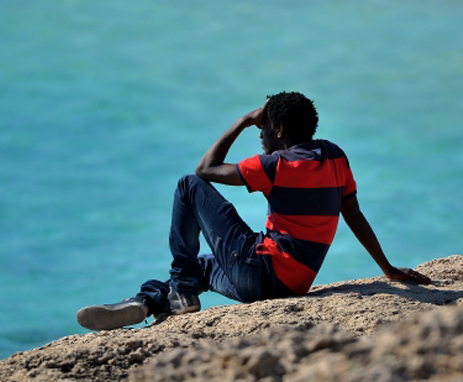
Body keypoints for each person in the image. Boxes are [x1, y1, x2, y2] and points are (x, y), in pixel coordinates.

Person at [76, 91, 431, 331]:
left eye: (263, 126)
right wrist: (387, 268)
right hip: (288, 285)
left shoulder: (278, 165)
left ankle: (178, 293)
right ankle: (146, 300)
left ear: (277, 128)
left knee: (187, 185)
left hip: (259, 273)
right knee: (199, 265)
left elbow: (205, 170)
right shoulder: (335, 157)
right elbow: (354, 215)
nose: (259, 133)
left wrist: (244, 119)